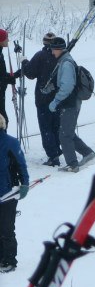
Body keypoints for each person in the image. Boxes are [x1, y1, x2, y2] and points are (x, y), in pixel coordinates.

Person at [45, 37, 94, 173]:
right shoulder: (64, 60)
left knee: (64, 135)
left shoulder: (66, 63)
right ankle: (88, 153)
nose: (52, 52)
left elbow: (67, 86)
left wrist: (55, 101)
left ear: (58, 49)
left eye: (53, 50)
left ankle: (72, 164)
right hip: (70, 102)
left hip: (69, 103)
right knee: (68, 131)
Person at [20, 33, 61, 167]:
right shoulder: (61, 56)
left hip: (43, 99)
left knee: (46, 128)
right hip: (59, 97)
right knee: (56, 126)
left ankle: (53, 156)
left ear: (44, 43)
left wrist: (24, 62)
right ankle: (56, 151)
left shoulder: (40, 56)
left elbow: (30, 73)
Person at [0, 113, 30, 272]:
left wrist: (24, 184)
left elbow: (21, 165)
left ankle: (9, 260)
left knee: (6, 229)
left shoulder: (11, 143)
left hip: (7, 193)